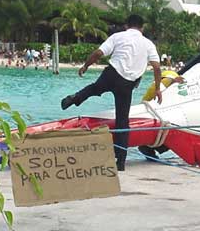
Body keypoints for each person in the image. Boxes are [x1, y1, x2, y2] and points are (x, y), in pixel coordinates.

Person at [60, 14, 162, 171]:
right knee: (123, 121)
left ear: (127, 25)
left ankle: (73, 99)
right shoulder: (148, 44)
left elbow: (98, 53)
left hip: (112, 73)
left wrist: (86, 66)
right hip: (128, 83)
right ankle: (120, 162)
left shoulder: (118, 36)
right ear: (142, 28)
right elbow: (156, 67)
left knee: (94, 88)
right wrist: (157, 89)